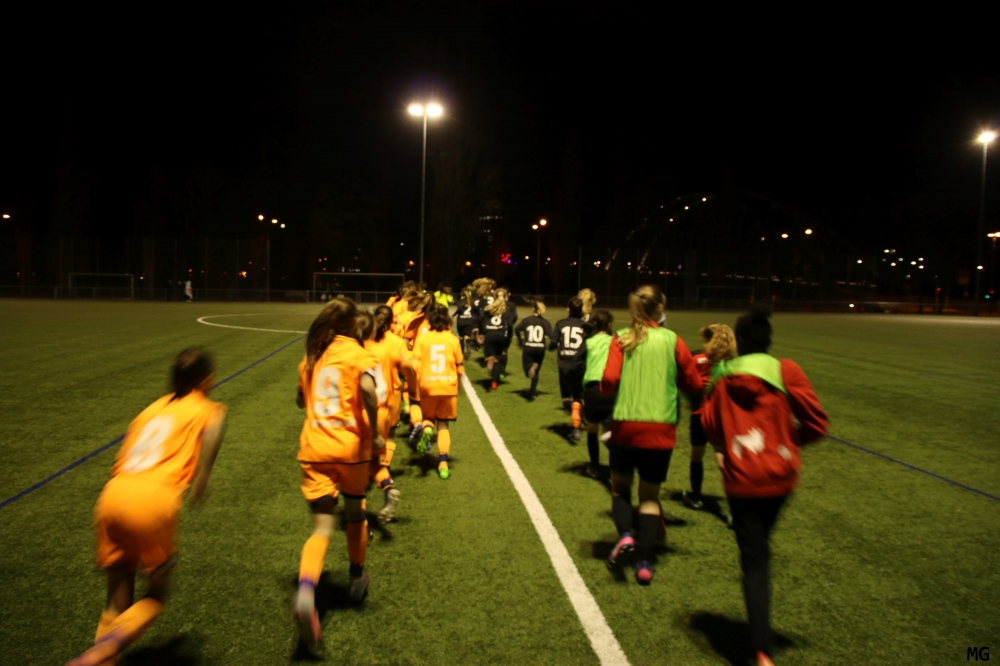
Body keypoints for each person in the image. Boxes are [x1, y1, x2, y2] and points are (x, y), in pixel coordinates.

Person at [67, 349, 226, 666]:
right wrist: (203, 478)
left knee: (117, 597)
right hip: (152, 501)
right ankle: (98, 653)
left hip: (112, 496)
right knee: (156, 595)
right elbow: (214, 428)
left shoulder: (151, 409)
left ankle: (102, 659)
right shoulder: (208, 408)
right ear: (206, 379)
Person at [700, 306, 827, 666]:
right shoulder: (786, 370)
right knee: (760, 547)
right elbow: (817, 423)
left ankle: (761, 652)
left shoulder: (723, 376)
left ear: (738, 341)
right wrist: (786, 442)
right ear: (769, 341)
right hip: (781, 477)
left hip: (743, 481)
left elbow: (710, 427)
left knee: (755, 563)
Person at [292, 297, 385, 649]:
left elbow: (300, 399)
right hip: (350, 447)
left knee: (321, 527)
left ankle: (305, 591)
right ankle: (357, 578)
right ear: (355, 325)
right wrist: (375, 430)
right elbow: (367, 390)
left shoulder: (313, 355)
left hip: (315, 447)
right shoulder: (359, 355)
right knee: (355, 510)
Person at [600, 285, 703, 585]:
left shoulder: (621, 338)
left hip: (626, 425)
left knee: (620, 488)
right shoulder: (673, 340)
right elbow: (693, 384)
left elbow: (609, 380)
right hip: (661, 428)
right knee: (649, 497)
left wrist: (611, 391)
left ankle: (625, 535)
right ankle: (644, 563)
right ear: (659, 308)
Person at [359, 307, 416, 523]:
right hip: (387, 401)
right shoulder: (395, 342)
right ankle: (387, 483)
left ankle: (360, 520)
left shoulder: (358, 345)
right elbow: (408, 365)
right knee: (385, 443)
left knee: (355, 467)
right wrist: (413, 389)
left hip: (361, 409)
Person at [682, 323, 738, 514]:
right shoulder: (731, 361)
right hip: (720, 414)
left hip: (700, 413)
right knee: (722, 456)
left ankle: (696, 497)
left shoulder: (695, 356)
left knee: (697, 454)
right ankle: (735, 506)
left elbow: (685, 379)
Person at [410, 304, 464, 479]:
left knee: (428, 419)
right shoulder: (453, 340)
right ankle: (443, 464)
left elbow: (415, 365)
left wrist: (414, 384)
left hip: (428, 386)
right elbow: (459, 365)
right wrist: (459, 384)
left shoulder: (422, 339)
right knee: (443, 425)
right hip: (448, 387)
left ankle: (427, 429)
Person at [581, 309, 615, 478]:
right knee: (610, 430)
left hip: (592, 388)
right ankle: (616, 468)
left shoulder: (589, 342)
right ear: (609, 325)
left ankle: (594, 467)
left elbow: (580, 364)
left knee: (592, 429)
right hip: (612, 388)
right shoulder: (615, 342)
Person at [555, 297, 588, 441]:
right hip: (579, 365)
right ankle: (576, 428)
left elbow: (554, 342)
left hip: (564, 365)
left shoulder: (561, 324)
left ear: (568, 309)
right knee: (578, 398)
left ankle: (576, 416)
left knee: (566, 400)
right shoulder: (586, 326)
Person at [514, 300, 555, 400]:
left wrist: (520, 340)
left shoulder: (527, 320)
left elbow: (517, 329)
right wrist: (551, 346)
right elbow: (552, 336)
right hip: (540, 348)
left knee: (527, 370)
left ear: (533, 309)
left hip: (528, 347)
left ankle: (530, 368)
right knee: (536, 372)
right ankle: (532, 393)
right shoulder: (545, 322)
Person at [478, 289, 517, 391]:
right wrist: (509, 338)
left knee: (489, 356)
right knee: (498, 359)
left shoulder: (488, 309)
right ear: (505, 297)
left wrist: (481, 332)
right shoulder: (507, 311)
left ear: (494, 297)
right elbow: (510, 325)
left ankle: (489, 360)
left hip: (489, 335)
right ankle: (494, 383)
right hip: (501, 336)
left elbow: (480, 319)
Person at [455, 287, 481, 356]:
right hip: (469, 321)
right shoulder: (472, 301)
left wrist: (454, 315)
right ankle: (468, 350)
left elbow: (459, 310)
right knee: (467, 336)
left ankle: (461, 351)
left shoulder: (460, 301)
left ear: (461, 294)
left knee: (461, 337)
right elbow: (476, 310)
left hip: (461, 321)